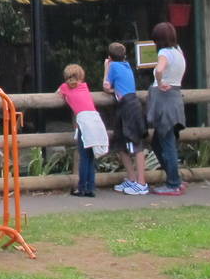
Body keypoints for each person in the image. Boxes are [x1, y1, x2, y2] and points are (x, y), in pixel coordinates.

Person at [145, 22, 186, 195]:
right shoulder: (178, 52)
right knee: (159, 142)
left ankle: (173, 183)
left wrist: (160, 81)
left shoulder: (164, 53)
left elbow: (159, 69)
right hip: (175, 98)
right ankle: (174, 178)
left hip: (164, 100)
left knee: (167, 143)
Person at [56, 63, 109, 198]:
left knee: (84, 157)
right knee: (91, 157)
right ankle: (90, 188)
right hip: (95, 119)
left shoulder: (65, 87)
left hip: (84, 122)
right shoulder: (84, 86)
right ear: (81, 76)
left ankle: (81, 188)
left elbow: (58, 93)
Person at [104, 42, 149, 194]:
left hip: (128, 107)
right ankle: (131, 179)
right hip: (127, 106)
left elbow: (106, 86)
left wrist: (106, 67)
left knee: (135, 143)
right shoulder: (126, 65)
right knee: (120, 144)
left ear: (110, 57)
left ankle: (141, 183)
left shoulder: (113, 67)